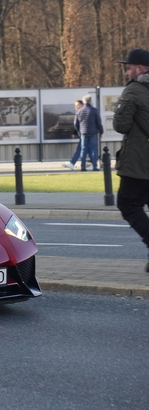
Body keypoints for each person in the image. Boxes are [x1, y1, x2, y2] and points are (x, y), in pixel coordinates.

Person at [113, 48, 149, 271]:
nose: (127, 73)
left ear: (140, 69)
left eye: (128, 68)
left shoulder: (134, 90)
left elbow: (121, 125)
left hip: (139, 162)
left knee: (128, 203)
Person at [73, 95, 103, 171]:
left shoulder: (79, 111)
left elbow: (75, 123)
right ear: (90, 101)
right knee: (93, 149)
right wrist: (101, 132)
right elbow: (99, 122)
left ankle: (83, 167)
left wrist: (79, 131)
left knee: (83, 149)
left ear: (83, 102)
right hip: (93, 132)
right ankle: (94, 166)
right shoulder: (94, 110)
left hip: (83, 132)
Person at [63, 99, 84, 170]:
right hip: (84, 134)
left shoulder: (81, 112)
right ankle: (92, 164)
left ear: (82, 104)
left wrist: (75, 132)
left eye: (78, 105)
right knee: (86, 149)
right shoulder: (81, 112)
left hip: (84, 134)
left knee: (80, 149)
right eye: (75, 105)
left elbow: (77, 124)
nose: (76, 107)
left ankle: (73, 163)